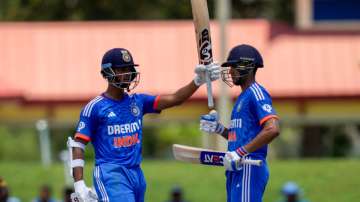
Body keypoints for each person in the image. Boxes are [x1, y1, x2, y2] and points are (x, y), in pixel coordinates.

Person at [67, 48, 220, 202]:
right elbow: (78, 145)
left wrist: (197, 81)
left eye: (129, 69)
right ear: (108, 72)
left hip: (136, 174)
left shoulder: (138, 101)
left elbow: (175, 99)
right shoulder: (95, 107)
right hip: (111, 173)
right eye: (122, 69)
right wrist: (79, 184)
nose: (127, 73)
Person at [200, 44, 280, 202]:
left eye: (234, 66)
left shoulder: (256, 93)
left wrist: (240, 153)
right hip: (236, 166)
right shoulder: (242, 97)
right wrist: (218, 128)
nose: (230, 71)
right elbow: (239, 137)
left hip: (249, 166)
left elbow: (272, 129)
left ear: (248, 67)